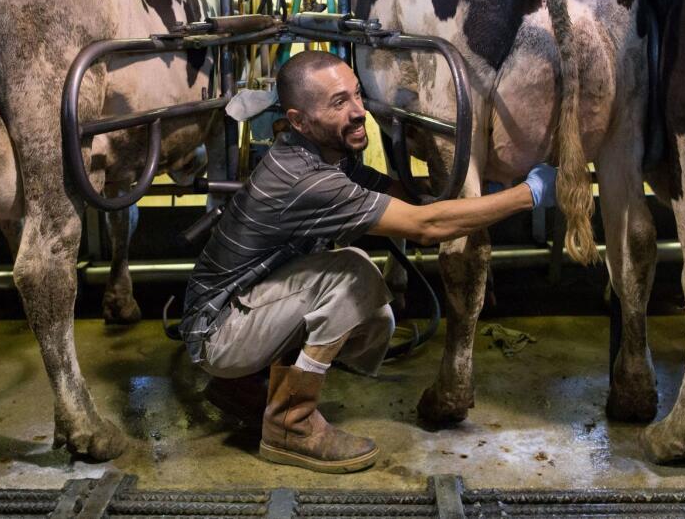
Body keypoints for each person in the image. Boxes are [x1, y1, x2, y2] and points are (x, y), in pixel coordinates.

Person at [180, 50, 557, 474]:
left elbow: (403, 195)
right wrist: (528, 195)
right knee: (353, 274)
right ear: (299, 120)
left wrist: (475, 193)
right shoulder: (308, 180)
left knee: (376, 321)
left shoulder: (326, 153)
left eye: (357, 94)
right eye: (339, 103)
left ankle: (245, 387)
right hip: (218, 332)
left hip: (236, 309)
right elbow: (424, 226)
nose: (359, 112)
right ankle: (291, 422)